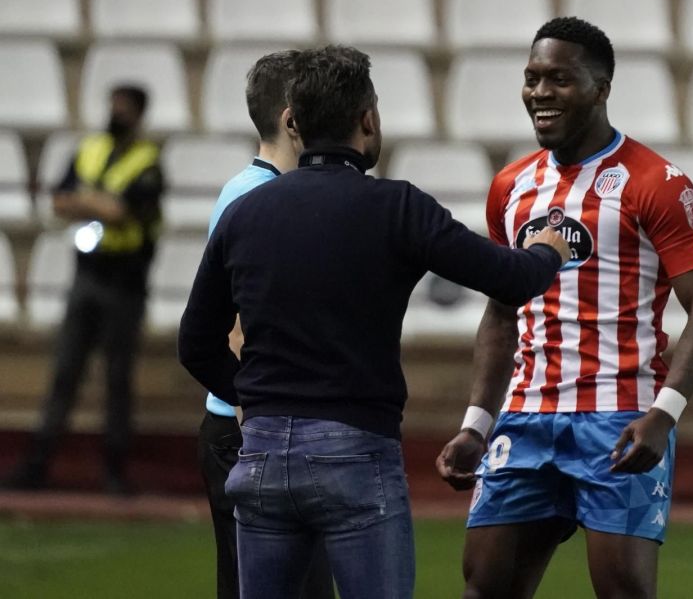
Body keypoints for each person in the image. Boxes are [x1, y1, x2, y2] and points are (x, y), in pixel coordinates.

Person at [178, 45, 571, 599]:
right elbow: (511, 279)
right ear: (368, 120)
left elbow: (195, 343)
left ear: (296, 124)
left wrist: (257, 398)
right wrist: (548, 249)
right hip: (354, 450)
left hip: (261, 454)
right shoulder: (397, 207)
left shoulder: (246, 211)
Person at [435, 17, 693, 599]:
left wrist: (664, 414)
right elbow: (501, 314)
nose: (540, 93)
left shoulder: (657, 182)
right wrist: (477, 424)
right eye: (532, 78)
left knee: (622, 589)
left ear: (601, 89)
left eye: (560, 79)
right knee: (484, 587)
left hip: (619, 418)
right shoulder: (511, 186)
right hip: (525, 416)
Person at [199, 50, 335, 599]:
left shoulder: (253, 190)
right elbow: (238, 327)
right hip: (251, 431)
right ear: (292, 119)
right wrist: (256, 432)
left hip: (256, 427)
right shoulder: (256, 196)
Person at [5, 85, 164, 494]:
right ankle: (38, 465)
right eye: (113, 105)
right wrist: (100, 204)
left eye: (124, 107)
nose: (116, 113)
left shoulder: (148, 162)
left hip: (125, 283)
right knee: (64, 373)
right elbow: (60, 201)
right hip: (87, 276)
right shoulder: (90, 149)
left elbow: (122, 211)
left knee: (117, 379)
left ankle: (115, 472)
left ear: (139, 114)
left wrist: (87, 201)